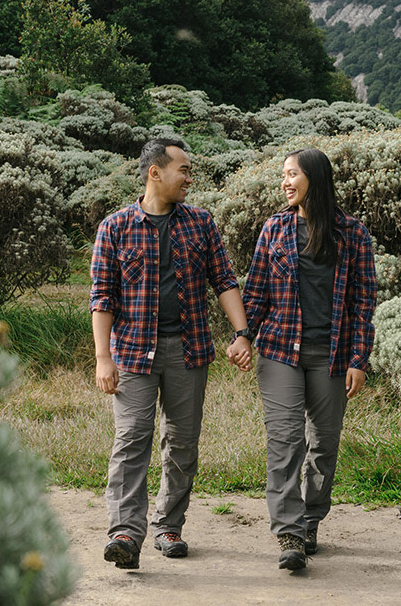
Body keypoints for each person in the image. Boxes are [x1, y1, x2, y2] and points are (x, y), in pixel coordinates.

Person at [90, 138, 253, 570]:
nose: (189, 178)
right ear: (155, 172)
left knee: (182, 442)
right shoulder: (115, 227)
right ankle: (125, 533)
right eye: (183, 169)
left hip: (189, 350)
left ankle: (168, 526)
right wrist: (103, 358)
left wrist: (242, 333)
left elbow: (224, 280)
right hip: (132, 352)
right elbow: (102, 297)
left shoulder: (201, 223)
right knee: (132, 439)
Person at [233, 147, 376, 571]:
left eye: (292, 174)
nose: (285, 182)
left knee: (324, 445)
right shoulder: (275, 228)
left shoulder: (352, 233)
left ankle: (311, 519)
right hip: (280, 350)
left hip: (332, 356)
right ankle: (290, 532)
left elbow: (363, 303)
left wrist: (359, 359)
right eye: (283, 175)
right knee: (286, 441)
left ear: (315, 177)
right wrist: (243, 336)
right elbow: (256, 292)